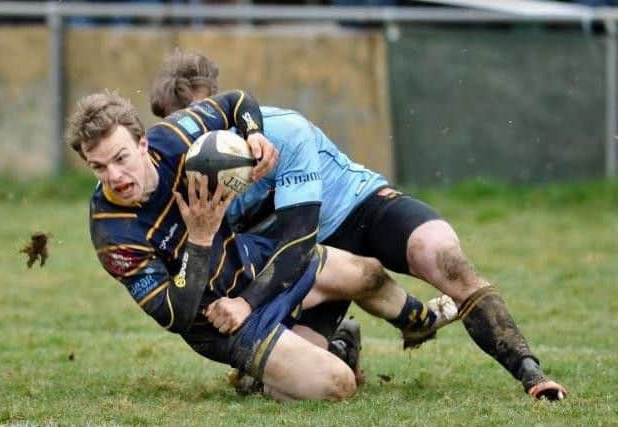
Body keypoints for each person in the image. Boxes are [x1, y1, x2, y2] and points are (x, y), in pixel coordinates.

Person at [148, 51, 568, 401]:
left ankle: (531, 373)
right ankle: (344, 343)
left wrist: (246, 304)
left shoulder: (282, 131)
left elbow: (297, 238)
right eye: (178, 127)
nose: (195, 134)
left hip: (356, 210)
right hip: (308, 258)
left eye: (202, 116)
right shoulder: (177, 174)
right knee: (282, 389)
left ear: (218, 104)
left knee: (441, 256)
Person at [65, 89, 455, 401]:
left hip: (249, 261)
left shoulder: (175, 136)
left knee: (367, 272)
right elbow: (174, 317)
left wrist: (252, 133)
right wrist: (199, 242)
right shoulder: (113, 233)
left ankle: (419, 321)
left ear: (143, 142)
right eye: (98, 167)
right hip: (221, 324)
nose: (115, 176)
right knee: (339, 385)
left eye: (120, 158)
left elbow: (237, 102)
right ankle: (294, 367)